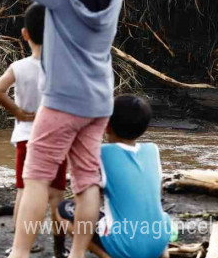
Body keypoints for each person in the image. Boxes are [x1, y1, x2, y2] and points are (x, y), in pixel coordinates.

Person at [0, 0, 127, 258]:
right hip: (98, 102)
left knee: (36, 178)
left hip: (63, 102)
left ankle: (20, 253)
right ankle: (78, 254)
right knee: (86, 182)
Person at [0, 3, 68, 258]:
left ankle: (21, 245)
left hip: (27, 136)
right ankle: (59, 248)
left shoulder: (19, 66)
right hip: (57, 137)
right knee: (57, 193)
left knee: (24, 191)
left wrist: (17, 112)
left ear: (25, 34)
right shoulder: (60, 66)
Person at [57, 95, 172, 258]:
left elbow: (88, 198)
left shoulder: (101, 153)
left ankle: (104, 255)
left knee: (63, 210)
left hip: (127, 248)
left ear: (107, 126)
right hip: (159, 240)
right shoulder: (152, 151)